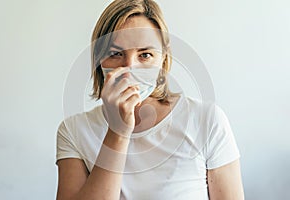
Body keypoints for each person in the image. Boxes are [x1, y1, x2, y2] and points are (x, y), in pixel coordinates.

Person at [56, 0, 244, 199]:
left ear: (163, 57)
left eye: (145, 55)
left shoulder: (206, 120)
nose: (130, 69)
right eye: (116, 54)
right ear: (98, 58)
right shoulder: (74, 131)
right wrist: (118, 132)